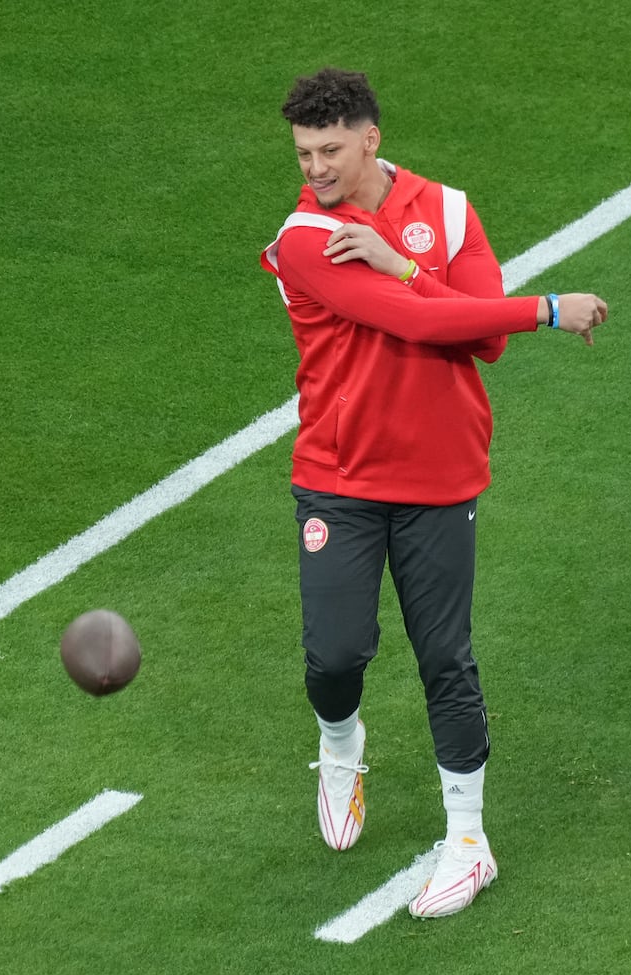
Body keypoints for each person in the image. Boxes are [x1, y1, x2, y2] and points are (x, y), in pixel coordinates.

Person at [260, 67, 608, 919]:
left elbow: (481, 339)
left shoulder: (447, 211)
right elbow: (422, 323)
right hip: (338, 479)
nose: (314, 168)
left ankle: (467, 841)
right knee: (335, 653)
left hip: (440, 478)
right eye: (304, 153)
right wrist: (550, 307)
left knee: (444, 657)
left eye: (330, 150)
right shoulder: (306, 238)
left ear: (369, 138)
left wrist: (403, 265)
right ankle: (340, 745)